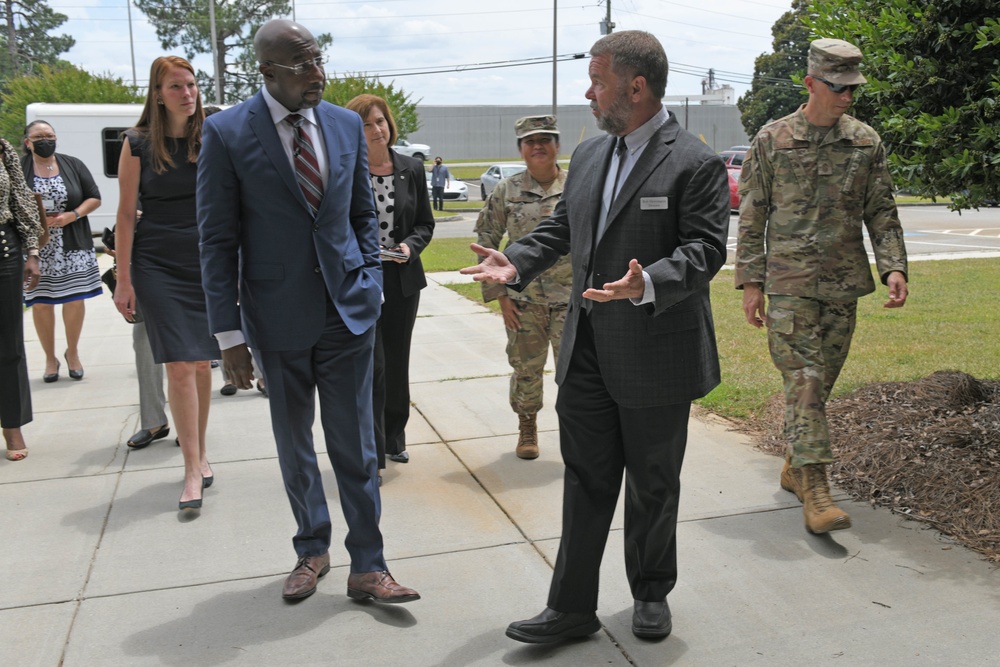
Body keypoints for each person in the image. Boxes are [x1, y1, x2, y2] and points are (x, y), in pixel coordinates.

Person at [461, 31, 729, 644]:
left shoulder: (694, 161)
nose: (589, 93)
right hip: (584, 350)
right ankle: (572, 607)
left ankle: (651, 592)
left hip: (655, 353)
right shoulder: (588, 156)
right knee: (585, 478)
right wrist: (516, 262)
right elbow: (562, 226)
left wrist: (649, 282)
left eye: (598, 82)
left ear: (635, 88)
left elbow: (707, 250)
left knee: (654, 482)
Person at [197, 19, 419, 604]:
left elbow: (361, 215)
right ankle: (311, 550)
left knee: (358, 446)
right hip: (275, 317)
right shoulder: (226, 132)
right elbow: (216, 240)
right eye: (302, 66)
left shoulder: (345, 124)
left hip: (348, 310)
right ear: (267, 71)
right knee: (295, 443)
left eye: (318, 60)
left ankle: (369, 565)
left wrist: (369, 277)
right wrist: (229, 334)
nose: (318, 74)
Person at [735, 38, 908, 534]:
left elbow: (882, 209)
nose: (847, 96)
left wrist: (893, 266)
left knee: (819, 385)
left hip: (842, 285)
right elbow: (752, 217)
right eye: (837, 87)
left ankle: (795, 463)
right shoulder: (772, 140)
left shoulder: (865, 141)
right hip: (788, 285)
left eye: (853, 87)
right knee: (805, 381)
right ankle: (817, 491)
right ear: (810, 83)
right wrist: (751, 282)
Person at [113, 55, 219, 511]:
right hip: (157, 262)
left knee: (200, 366)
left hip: (207, 261)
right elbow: (123, 215)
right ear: (158, 94)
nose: (187, 93)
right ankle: (191, 469)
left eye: (192, 84)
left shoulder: (212, 134)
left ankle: (200, 449)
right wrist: (123, 278)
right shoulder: (137, 143)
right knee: (178, 364)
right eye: (176, 86)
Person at [345, 94, 435, 474]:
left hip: (402, 281)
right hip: (364, 281)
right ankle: (372, 443)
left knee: (397, 363)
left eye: (380, 121)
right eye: (366, 124)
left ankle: (395, 438)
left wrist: (408, 248)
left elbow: (425, 225)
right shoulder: (346, 169)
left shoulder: (411, 168)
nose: (376, 129)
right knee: (373, 365)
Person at [474, 115, 571, 460]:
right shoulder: (507, 190)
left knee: (574, 372)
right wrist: (500, 296)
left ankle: (578, 435)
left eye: (545, 139)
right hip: (524, 300)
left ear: (558, 145)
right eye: (530, 141)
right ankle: (527, 426)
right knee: (525, 368)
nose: (538, 146)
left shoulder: (576, 187)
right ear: (521, 149)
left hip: (569, 302)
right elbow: (486, 241)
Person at [20, 120, 102, 383]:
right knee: (41, 303)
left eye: (50, 135)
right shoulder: (18, 168)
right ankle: (49, 358)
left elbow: (94, 196)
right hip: (35, 248)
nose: (45, 140)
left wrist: (73, 214)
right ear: (27, 142)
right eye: (39, 136)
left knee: (74, 300)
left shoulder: (73, 164)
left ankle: (73, 353)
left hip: (72, 242)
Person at [1, 138, 43, 461]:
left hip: (5, 250)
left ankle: (12, 426)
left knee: (9, 344)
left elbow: (22, 201)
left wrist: (32, 251)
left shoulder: (2, 149)